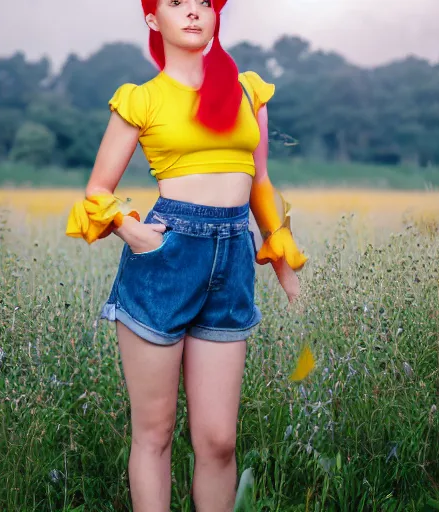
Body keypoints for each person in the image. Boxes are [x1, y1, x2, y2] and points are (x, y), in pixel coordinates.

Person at [66, 1, 308, 510]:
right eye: (177, 4)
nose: (194, 12)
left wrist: (284, 265)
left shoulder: (247, 90)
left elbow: (260, 183)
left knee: (218, 440)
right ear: (154, 19)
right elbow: (98, 189)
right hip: (165, 260)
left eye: (204, 3)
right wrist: (139, 237)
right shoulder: (142, 99)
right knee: (154, 434)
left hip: (233, 259)